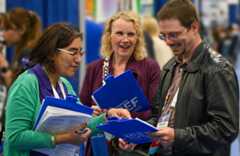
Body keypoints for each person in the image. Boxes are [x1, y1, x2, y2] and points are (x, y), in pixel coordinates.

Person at [3, 23, 130, 156]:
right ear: (52, 53)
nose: (78, 59)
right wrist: (62, 138)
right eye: (72, 52)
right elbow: (15, 137)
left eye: (80, 52)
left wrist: (108, 116)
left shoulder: (65, 85)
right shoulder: (26, 84)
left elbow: (83, 126)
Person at [146, 0, 239, 156]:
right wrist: (137, 135)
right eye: (164, 36)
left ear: (194, 27)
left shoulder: (217, 69)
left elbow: (226, 129)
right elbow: (159, 116)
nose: (168, 42)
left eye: (174, 34)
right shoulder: (170, 67)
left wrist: (178, 136)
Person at [80, 11, 161, 156]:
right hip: (99, 147)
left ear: (138, 38)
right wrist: (95, 113)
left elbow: (156, 112)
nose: (125, 39)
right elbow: (82, 109)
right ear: (109, 36)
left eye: (130, 34)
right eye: (119, 33)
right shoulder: (94, 68)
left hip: (136, 147)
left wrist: (130, 127)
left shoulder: (150, 68)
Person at [3, 8, 42, 81]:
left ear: (22, 30)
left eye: (7, 29)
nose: (3, 34)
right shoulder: (22, 51)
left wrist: (3, 65)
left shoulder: (28, 52)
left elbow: (19, 88)